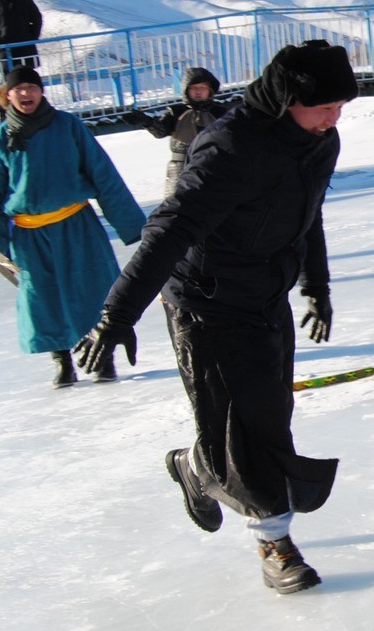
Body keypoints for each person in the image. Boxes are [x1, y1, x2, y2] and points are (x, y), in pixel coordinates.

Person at [76, 40, 355, 595]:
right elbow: (171, 229)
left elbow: (308, 215)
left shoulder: (319, 140)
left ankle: (198, 467)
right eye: (323, 107)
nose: (334, 119)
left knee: (270, 414)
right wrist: (117, 314)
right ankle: (275, 545)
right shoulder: (230, 147)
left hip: (265, 294)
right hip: (206, 302)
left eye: (340, 107)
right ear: (286, 101)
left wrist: (316, 286)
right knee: (250, 428)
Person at [0, 65, 146, 387]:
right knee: (42, 297)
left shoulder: (67, 126)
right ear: (7, 96)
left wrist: (131, 224)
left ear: (41, 92)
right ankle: (62, 361)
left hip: (76, 226)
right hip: (30, 235)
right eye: (19, 89)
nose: (26, 94)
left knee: (93, 290)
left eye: (32, 87)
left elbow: (102, 174)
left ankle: (102, 356)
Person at [137, 66, 231, 198]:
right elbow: (161, 131)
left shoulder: (221, 113)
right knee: (178, 208)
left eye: (202, 88)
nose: (198, 92)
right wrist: (147, 122)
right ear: (186, 90)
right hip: (180, 169)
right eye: (193, 88)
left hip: (214, 167)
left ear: (210, 90)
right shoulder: (176, 112)